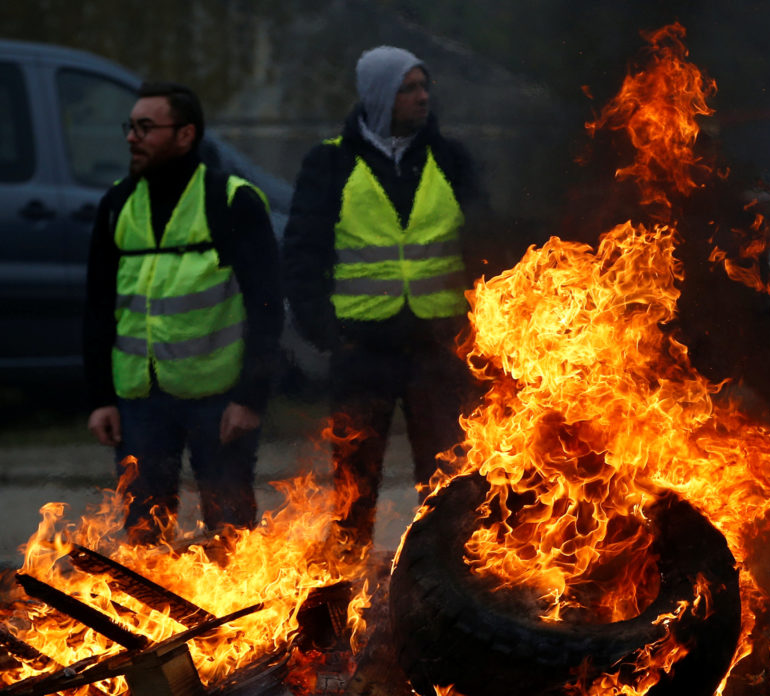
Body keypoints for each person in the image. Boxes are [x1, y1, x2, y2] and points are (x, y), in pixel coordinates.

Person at [282, 46, 486, 550]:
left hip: (436, 351)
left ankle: (448, 580)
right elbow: (303, 255)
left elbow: (484, 245)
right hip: (362, 352)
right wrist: (327, 335)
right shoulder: (330, 162)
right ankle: (346, 593)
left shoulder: (450, 158)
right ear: (378, 95)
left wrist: (476, 329)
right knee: (353, 486)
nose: (422, 97)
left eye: (424, 86)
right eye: (408, 88)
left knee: (447, 481)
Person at [83, 82, 282, 546]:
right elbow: (96, 307)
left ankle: (237, 619)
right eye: (130, 127)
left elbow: (268, 307)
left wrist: (250, 398)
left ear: (185, 134)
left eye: (146, 127)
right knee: (143, 537)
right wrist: (100, 398)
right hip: (139, 400)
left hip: (219, 399)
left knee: (229, 533)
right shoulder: (117, 204)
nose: (132, 137)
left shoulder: (232, 201)